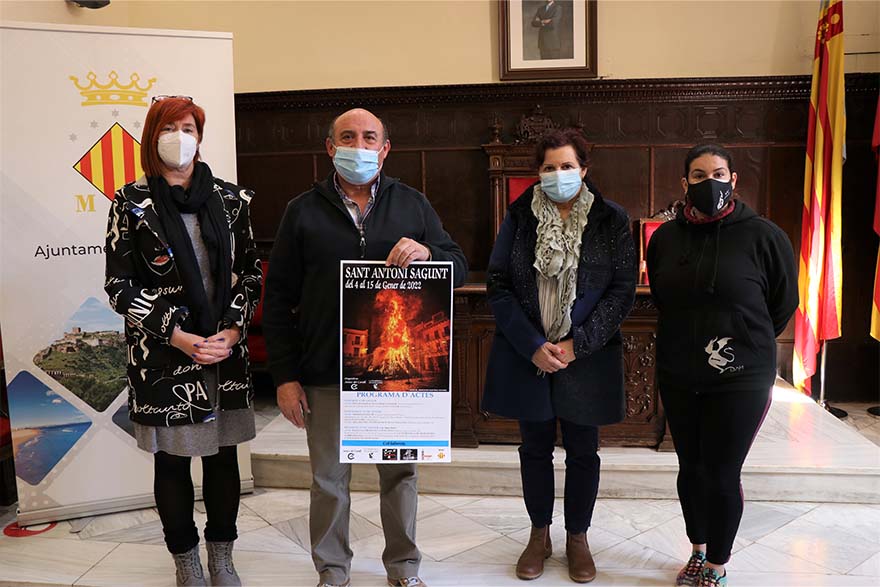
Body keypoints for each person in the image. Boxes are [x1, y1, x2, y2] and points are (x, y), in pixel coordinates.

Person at [263, 108, 467, 587]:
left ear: (385, 148)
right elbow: (277, 301)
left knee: (399, 478)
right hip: (325, 372)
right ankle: (332, 571)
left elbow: (457, 267)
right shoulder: (302, 211)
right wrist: (285, 377)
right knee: (329, 482)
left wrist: (429, 254)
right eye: (348, 137)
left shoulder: (413, 205)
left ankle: (403, 570)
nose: (360, 144)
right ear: (331, 148)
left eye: (369, 136)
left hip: (394, 376)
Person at [104, 96, 262, 587]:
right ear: (153, 137)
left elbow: (251, 271)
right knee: (172, 463)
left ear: (200, 134)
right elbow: (119, 285)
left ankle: (222, 556)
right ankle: (186, 560)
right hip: (163, 359)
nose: (180, 135)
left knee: (222, 460)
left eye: (188, 125)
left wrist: (233, 330)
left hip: (223, 355)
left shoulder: (233, 200)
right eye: (169, 126)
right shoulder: (130, 202)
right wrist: (177, 333)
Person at [482, 128, 637, 584]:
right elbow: (499, 283)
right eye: (549, 167)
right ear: (537, 172)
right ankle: (539, 533)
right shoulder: (518, 216)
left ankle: (578, 538)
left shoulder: (610, 218)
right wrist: (533, 346)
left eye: (567, 166)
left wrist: (577, 344)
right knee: (533, 449)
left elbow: (622, 289)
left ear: (584, 170)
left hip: (585, 354)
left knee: (584, 451)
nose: (558, 174)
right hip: (528, 352)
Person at [646, 144, 797, 587]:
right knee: (690, 465)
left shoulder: (764, 235)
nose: (707, 181)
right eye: (697, 175)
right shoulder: (666, 238)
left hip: (741, 375)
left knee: (722, 469)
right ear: (684, 184)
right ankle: (696, 549)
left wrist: (744, 337)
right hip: (679, 370)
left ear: (733, 179)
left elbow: (783, 302)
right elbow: (662, 296)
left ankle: (717, 563)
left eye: (717, 173)